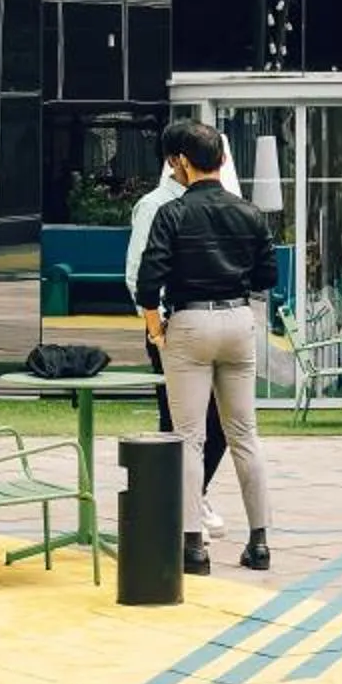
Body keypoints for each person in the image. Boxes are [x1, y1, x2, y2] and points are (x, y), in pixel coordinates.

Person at [134, 122, 276, 574]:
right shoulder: (250, 213)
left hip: (189, 322)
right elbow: (267, 278)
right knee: (244, 435)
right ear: (225, 161)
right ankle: (259, 544)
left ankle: (193, 547)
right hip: (238, 320)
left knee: (189, 438)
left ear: (183, 162)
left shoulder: (171, 214)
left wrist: (157, 330)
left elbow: (147, 282)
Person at [123, 121, 228, 534]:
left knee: (217, 423)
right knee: (179, 422)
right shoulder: (154, 206)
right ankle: (178, 510)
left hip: (207, 322)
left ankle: (186, 496)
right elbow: (137, 273)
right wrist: (156, 327)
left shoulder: (208, 201)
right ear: (176, 160)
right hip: (168, 325)